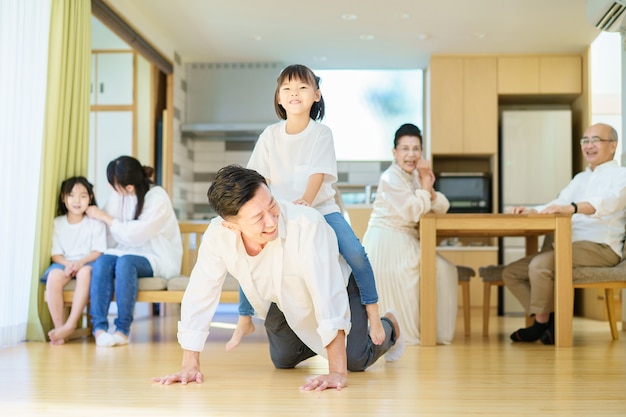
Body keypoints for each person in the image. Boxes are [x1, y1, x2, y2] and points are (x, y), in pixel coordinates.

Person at [153, 165, 403, 391]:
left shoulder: (307, 224)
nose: (272, 221)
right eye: (257, 218)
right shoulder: (218, 236)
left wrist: (337, 371)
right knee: (283, 360)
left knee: (355, 360)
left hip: (337, 288)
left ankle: (391, 326)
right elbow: (200, 293)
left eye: (271, 205)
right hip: (281, 300)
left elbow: (327, 292)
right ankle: (318, 340)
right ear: (231, 225)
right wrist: (190, 363)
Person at [226, 64, 385, 351]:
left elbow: (318, 174)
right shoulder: (270, 136)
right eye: (286, 88)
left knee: (356, 253)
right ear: (278, 98)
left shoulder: (321, 133)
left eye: (301, 87)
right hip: (280, 211)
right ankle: (244, 317)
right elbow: (256, 178)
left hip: (320, 209)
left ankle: (373, 311)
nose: (293, 93)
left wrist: (307, 202)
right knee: (246, 249)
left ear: (316, 95)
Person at [503, 123, 626, 344]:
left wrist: (574, 207)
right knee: (511, 273)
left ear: (613, 145)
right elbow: (559, 202)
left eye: (595, 140)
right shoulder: (580, 178)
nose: (589, 146)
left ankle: (540, 325)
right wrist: (534, 210)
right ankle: (550, 320)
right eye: (584, 141)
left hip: (601, 247)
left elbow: (609, 202)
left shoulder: (621, 176)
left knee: (540, 265)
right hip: (569, 244)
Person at [362, 123, 459, 345]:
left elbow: (443, 205)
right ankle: (417, 333)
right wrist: (425, 187)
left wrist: (427, 186)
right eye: (405, 149)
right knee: (433, 270)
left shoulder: (415, 176)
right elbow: (413, 211)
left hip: (406, 241)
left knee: (445, 269)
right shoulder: (390, 177)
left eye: (416, 149)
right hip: (387, 241)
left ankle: (437, 334)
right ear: (394, 152)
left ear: (422, 152)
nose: (411, 154)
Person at [86, 156, 182, 347]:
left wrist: (106, 218)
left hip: (157, 256)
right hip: (126, 251)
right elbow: (108, 230)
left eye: (114, 185)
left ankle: (122, 330)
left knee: (125, 263)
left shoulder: (157, 197)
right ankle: (99, 329)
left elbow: (137, 235)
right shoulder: (118, 195)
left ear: (129, 187)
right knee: (103, 261)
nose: (112, 189)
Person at [41, 176, 106, 345]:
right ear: (64, 198)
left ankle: (71, 324)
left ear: (90, 198)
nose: (77, 200)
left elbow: (98, 251)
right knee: (54, 276)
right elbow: (55, 254)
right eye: (72, 195)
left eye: (83, 196)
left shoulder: (95, 223)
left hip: (87, 262)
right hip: (65, 263)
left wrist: (80, 263)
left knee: (84, 273)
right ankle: (60, 328)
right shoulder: (58, 223)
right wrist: (68, 264)